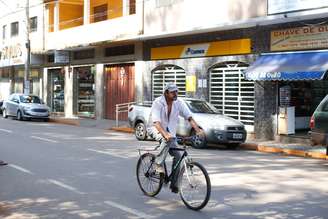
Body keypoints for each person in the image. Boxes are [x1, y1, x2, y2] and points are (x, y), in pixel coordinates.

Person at [147, 82, 204, 193]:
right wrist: (165, 134)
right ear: (166, 93)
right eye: (173, 92)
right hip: (155, 128)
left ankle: (174, 184)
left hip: (170, 132)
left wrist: (198, 130)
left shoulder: (179, 103)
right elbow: (156, 122)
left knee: (178, 155)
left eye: (176, 91)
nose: (175, 94)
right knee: (165, 139)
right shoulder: (158, 102)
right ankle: (158, 164)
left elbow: (189, 117)